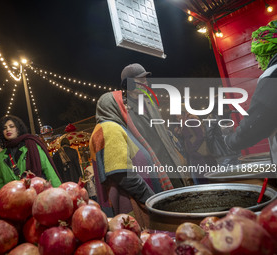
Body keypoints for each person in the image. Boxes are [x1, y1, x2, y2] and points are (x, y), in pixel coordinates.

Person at [89, 63, 191, 227]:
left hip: (170, 166)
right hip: (153, 174)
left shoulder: (149, 104)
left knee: (185, 209)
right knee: (169, 218)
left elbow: (163, 134)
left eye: (146, 79)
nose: (146, 83)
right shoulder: (123, 112)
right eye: (141, 79)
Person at [225, 20, 277, 164]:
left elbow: (255, 123)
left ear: (268, 52)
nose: (259, 66)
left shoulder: (273, 74)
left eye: (258, 58)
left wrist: (229, 141)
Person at [0, 115, 61, 195]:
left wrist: (59, 193)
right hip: (15, 199)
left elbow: (48, 170)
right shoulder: (2, 155)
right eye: (4, 128)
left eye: (11, 126)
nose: (8, 129)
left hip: (37, 195)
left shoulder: (31, 146)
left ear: (18, 129)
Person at [177, 107, 217, 184]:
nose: (176, 116)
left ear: (183, 112)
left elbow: (200, 135)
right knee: (197, 176)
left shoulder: (191, 119)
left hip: (198, 152)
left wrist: (193, 149)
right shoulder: (184, 121)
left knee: (202, 176)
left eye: (177, 114)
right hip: (193, 154)